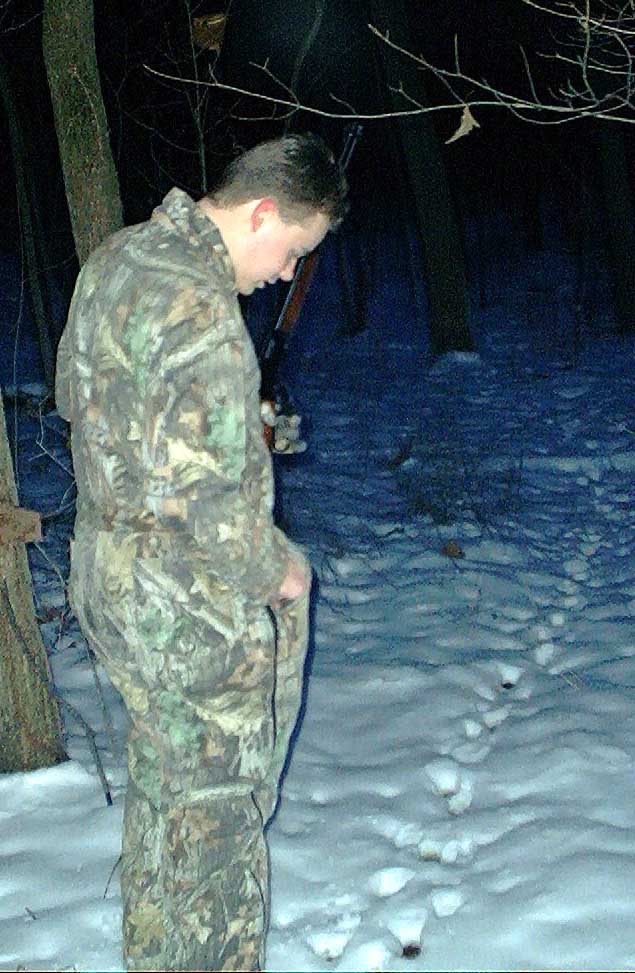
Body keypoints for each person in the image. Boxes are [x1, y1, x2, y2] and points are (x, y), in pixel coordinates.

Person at [55, 133, 348, 971]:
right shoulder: (202, 309)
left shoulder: (118, 259)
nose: (286, 272)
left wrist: (236, 432)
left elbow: (87, 400)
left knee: (164, 799)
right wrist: (278, 571)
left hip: (110, 579)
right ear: (261, 212)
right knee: (219, 829)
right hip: (187, 608)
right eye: (291, 249)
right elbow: (212, 516)